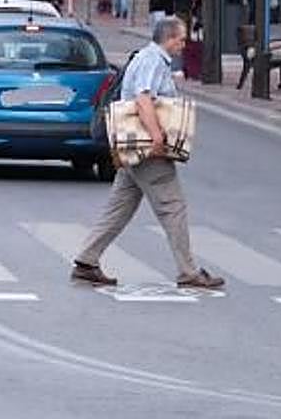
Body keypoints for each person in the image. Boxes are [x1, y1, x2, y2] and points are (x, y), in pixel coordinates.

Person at [71, 16, 225, 290]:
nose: (183, 44)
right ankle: (189, 271)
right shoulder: (152, 60)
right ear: (168, 38)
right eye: (181, 39)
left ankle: (86, 261)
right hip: (145, 147)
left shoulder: (149, 58)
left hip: (133, 147)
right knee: (173, 206)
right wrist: (157, 136)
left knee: (119, 208)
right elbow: (143, 99)